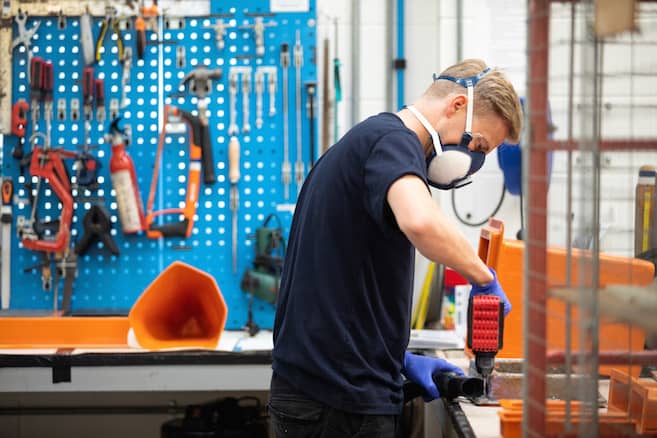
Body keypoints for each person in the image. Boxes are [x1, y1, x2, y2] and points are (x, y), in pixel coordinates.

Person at [268, 58, 522, 437]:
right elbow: (420, 221)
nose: (474, 161)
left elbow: (341, 288)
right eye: (479, 145)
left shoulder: (371, 144)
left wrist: (398, 360)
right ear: (456, 106)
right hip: (336, 404)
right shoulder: (393, 141)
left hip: (326, 393)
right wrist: (483, 278)